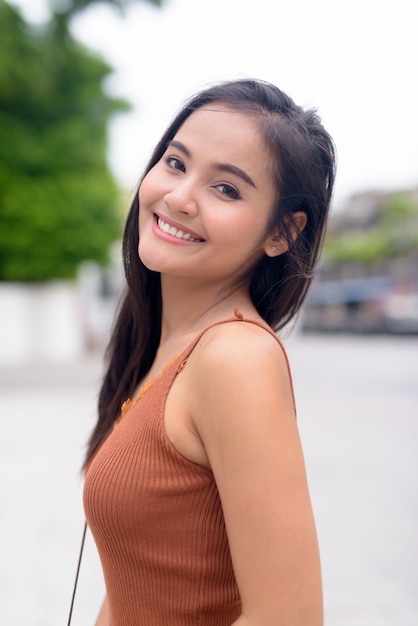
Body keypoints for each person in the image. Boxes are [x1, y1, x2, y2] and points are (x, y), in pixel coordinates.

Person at [83, 78, 336, 626]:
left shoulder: (235, 359)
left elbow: (288, 617)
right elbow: (135, 589)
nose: (179, 196)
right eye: (176, 163)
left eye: (227, 189)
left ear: (282, 234)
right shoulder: (166, 346)